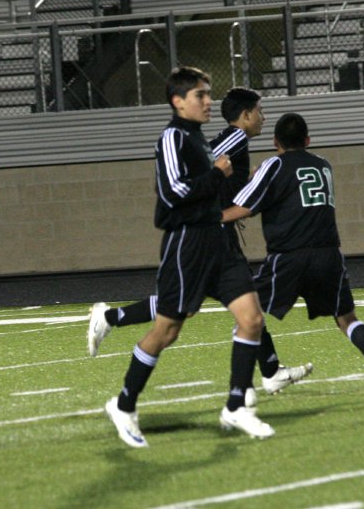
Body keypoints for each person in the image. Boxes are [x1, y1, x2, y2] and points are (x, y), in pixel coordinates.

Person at [88, 87, 313, 401]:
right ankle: (257, 381)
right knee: (198, 307)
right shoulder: (233, 139)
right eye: (260, 111)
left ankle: (270, 372)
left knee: (223, 306)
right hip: (208, 235)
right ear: (246, 115)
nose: (263, 117)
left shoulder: (237, 142)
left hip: (216, 232)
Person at [103, 67, 274, 448]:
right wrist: (216, 174)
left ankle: (235, 406)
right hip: (188, 245)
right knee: (166, 331)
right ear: (178, 101)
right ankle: (124, 404)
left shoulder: (199, 138)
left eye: (208, 93)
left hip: (219, 242)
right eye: (200, 95)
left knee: (252, 319)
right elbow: (173, 192)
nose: (208, 100)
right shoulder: (172, 137)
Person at [223, 112, 364, 396]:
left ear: (275, 141)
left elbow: (245, 206)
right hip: (329, 255)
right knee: (347, 318)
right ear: (308, 140)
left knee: (247, 315)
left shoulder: (273, 164)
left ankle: (245, 391)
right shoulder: (323, 165)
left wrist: (207, 219)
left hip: (288, 256)